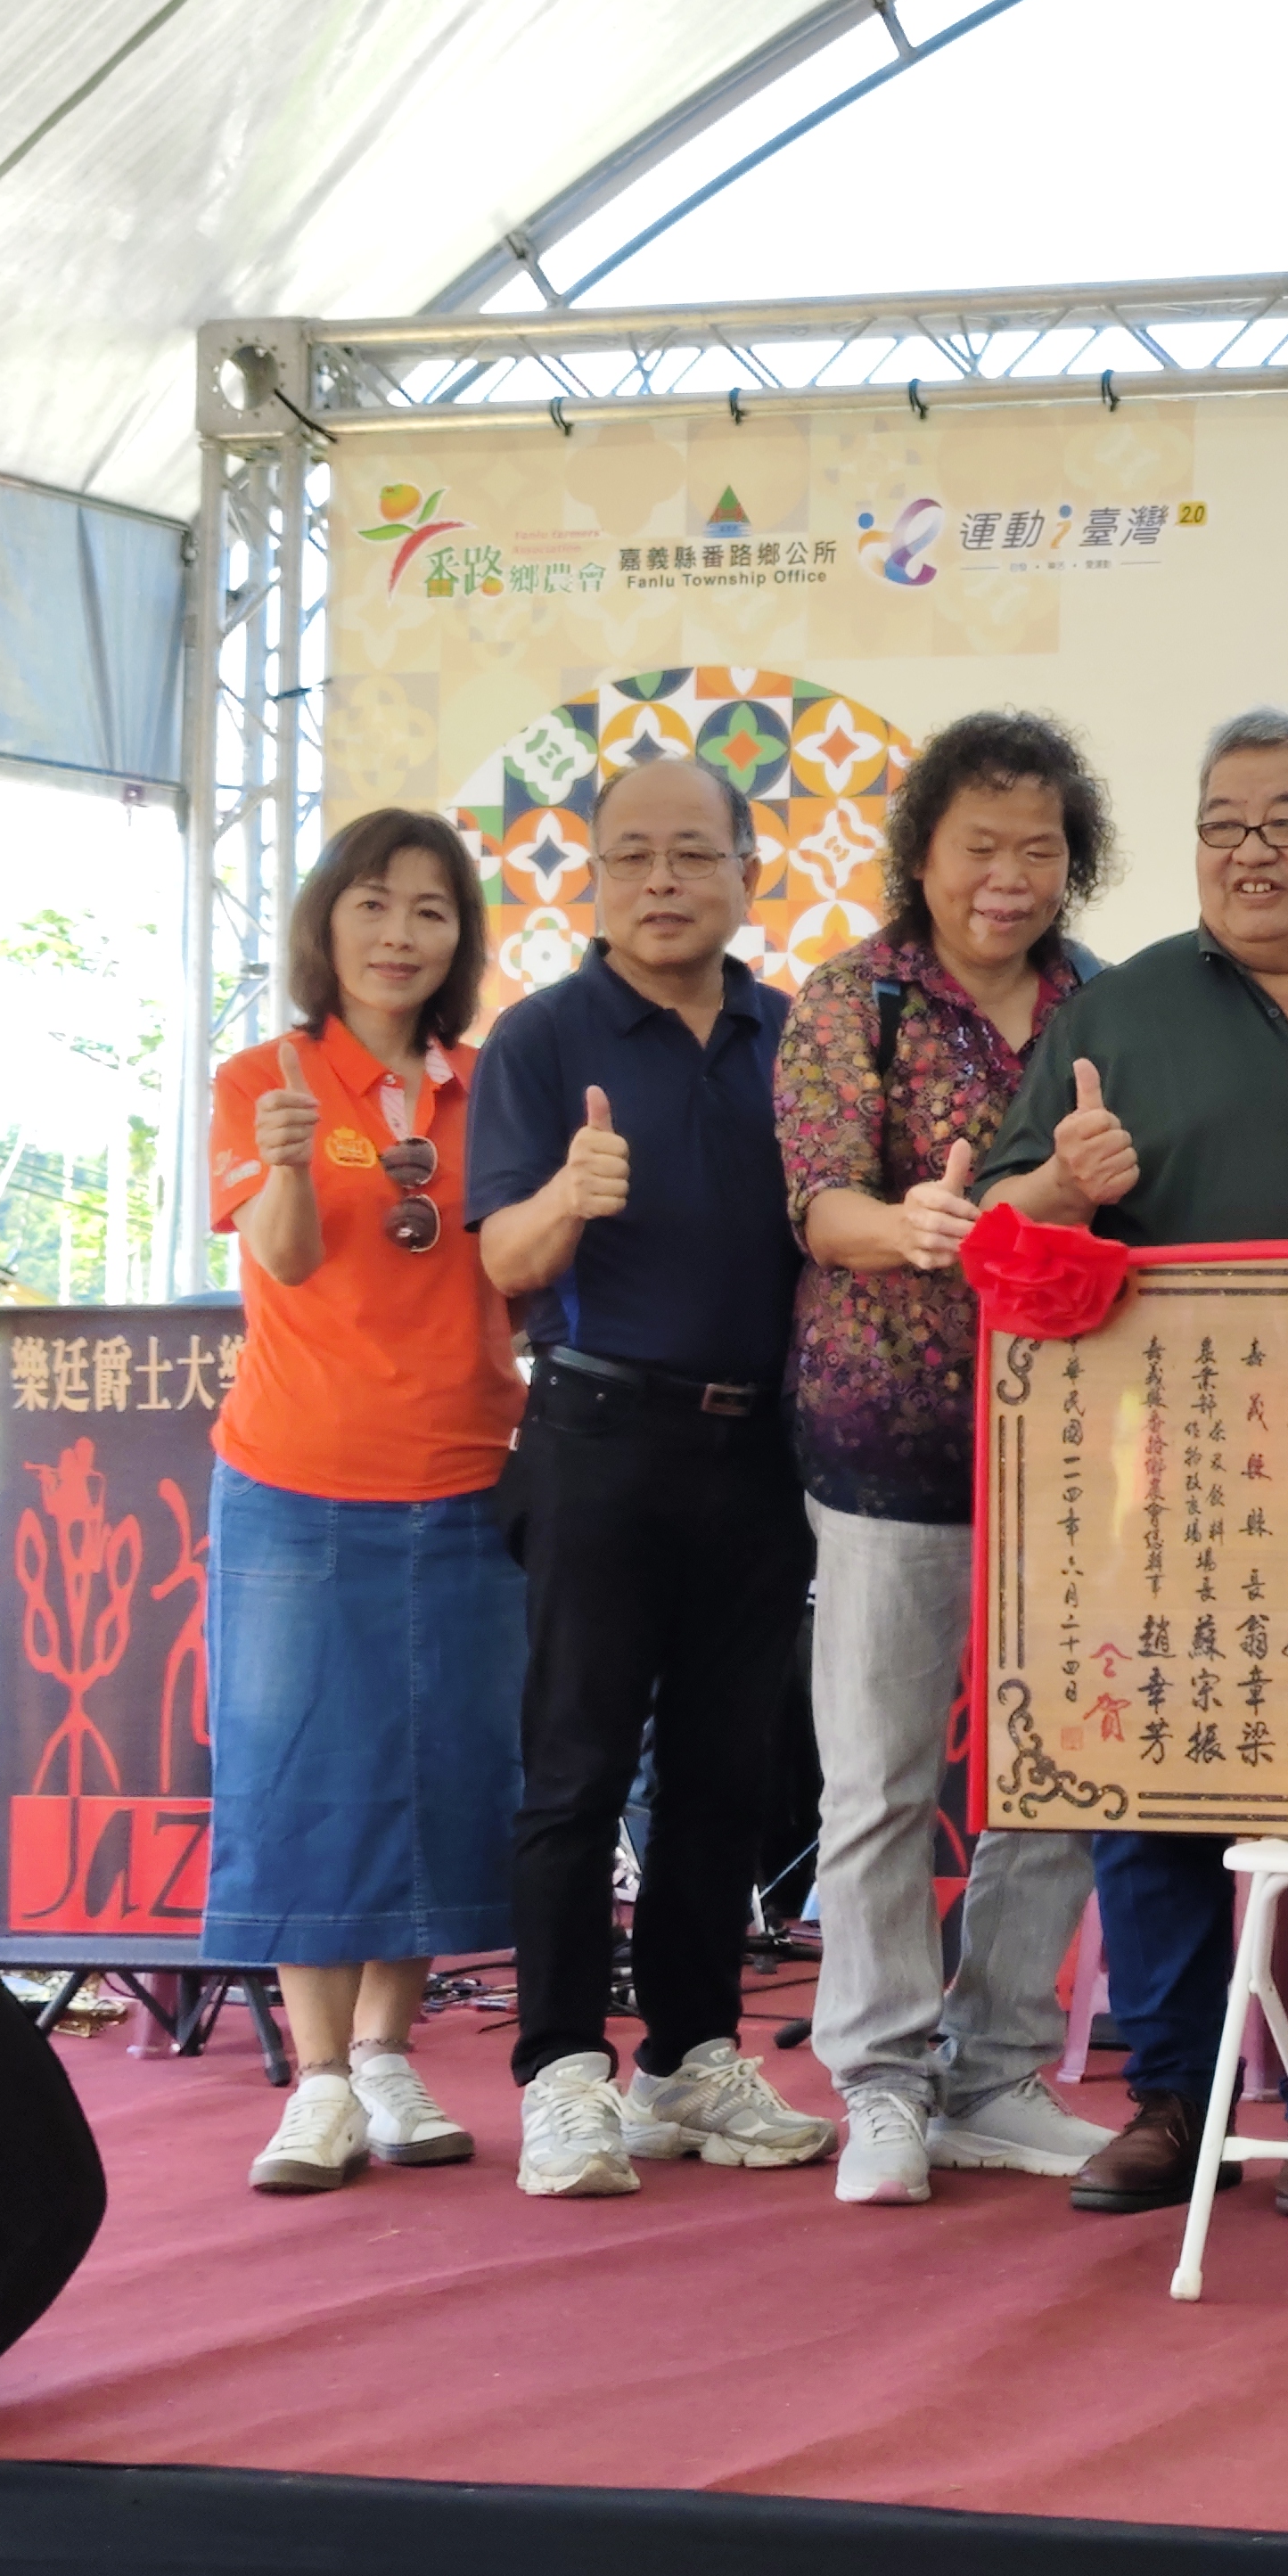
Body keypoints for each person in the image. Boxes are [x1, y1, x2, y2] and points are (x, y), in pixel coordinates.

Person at [980, 705, 1288, 2218]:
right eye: (1222, 825)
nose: (1251, 853)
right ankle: (1174, 2099)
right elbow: (1001, 1231)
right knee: (1152, 1782)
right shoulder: (1115, 1016)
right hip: (1161, 1478)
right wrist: (1064, 1183)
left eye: (1287, 823)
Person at [470, 755, 838, 2196]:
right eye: (632, 857)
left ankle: (690, 2056)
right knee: (573, 1770)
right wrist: (567, 1196)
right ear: (595, 880)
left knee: (723, 1774)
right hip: (598, 1439)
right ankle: (563, 2071)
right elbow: (502, 1261)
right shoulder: (542, 1037)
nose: (663, 881)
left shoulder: (793, 1036)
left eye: (694, 853)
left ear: (750, 870)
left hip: (763, 1448)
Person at [776, 709, 1124, 2205]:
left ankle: (996, 2074)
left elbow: (1129, 1198)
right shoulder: (852, 998)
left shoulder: (1109, 1003)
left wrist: (1085, 1190)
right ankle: (880, 2081)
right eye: (980, 846)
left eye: (1038, 849)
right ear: (921, 853)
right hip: (887, 1440)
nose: (1009, 877)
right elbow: (820, 1207)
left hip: (1076, 1448)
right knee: (879, 1779)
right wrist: (917, 1223)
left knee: (1055, 1773)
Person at [199, 809, 524, 2194]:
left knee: (438, 1770)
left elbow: (518, 1266)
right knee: (299, 1774)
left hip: (468, 1472)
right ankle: (320, 2081)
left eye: (430, 911)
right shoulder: (262, 1077)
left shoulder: (488, 1088)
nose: (400, 935)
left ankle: (391, 2054)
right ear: (326, 922)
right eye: (374, 905)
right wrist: (286, 1157)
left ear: (459, 939)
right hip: (296, 1479)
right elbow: (280, 1258)